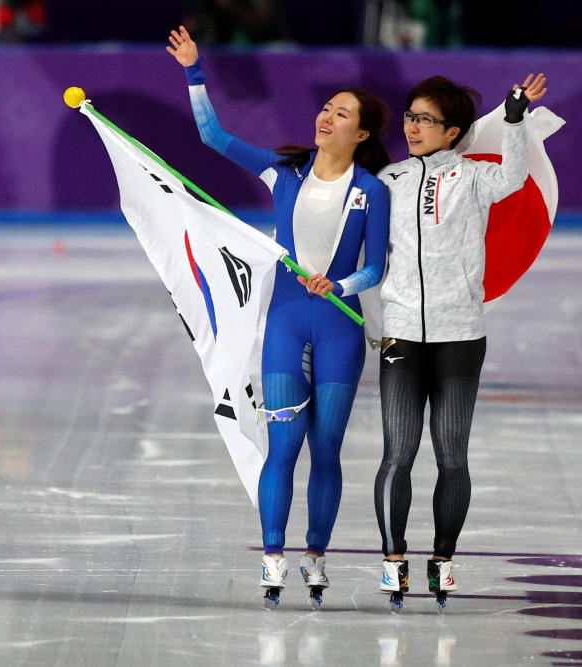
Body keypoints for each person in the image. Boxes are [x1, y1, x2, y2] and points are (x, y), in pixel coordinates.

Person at [167, 25, 391, 607]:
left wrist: (339, 283)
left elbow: (376, 270)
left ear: (360, 133)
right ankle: (272, 554)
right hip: (287, 325)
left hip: (340, 326)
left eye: (341, 114)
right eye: (325, 108)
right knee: (283, 446)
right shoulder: (283, 173)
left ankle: (315, 553)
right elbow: (213, 136)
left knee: (327, 449)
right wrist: (194, 71)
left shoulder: (372, 191)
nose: (327, 117)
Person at [373, 72, 548, 606]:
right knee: (397, 453)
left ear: (452, 132)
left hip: (460, 336)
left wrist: (514, 116)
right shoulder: (388, 179)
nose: (412, 126)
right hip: (401, 334)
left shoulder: (476, 178)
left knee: (452, 455)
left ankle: (443, 559)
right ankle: (393, 559)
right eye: (410, 116)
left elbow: (515, 176)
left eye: (425, 119)